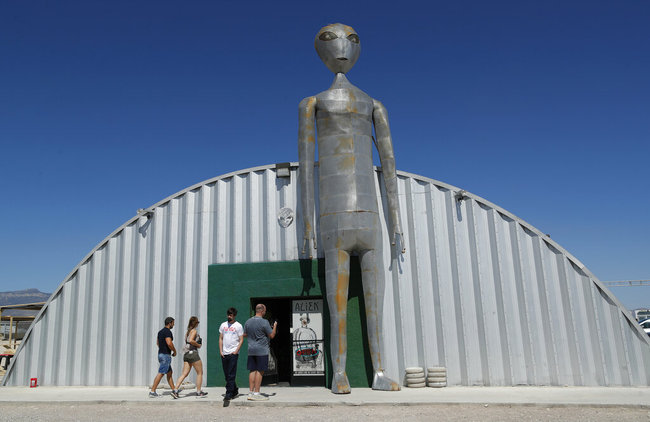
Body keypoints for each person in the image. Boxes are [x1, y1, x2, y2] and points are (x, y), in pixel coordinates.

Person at [298, 23, 405, 393]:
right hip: (333, 217)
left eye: (351, 40)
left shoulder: (374, 105)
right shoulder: (312, 103)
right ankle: (339, 372)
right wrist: (308, 228)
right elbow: (305, 169)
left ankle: (379, 371)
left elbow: (388, 167)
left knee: (375, 308)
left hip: (370, 219)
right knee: (336, 304)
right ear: (320, 50)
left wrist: (396, 223)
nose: (342, 47)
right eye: (331, 40)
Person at [243, 304, 277, 401]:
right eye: (265, 311)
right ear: (262, 311)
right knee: (260, 371)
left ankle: (250, 392)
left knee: (252, 370)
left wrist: (253, 335)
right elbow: (272, 335)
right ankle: (257, 392)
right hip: (262, 350)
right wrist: (274, 326)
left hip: (251, 349)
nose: (265, 313)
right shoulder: (264, 322)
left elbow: (245, 334)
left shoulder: (248, 321)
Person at [173, 316, 207, 398]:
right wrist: (198, 344)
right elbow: (191, 340)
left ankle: (175, 390)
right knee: (200, 373)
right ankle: (199, 393)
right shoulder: (194, 331)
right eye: (197, 323)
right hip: (193, 354)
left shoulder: (188, 332)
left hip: (186, 354)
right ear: (196, 323)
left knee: (184, 374)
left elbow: (188, 341)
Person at [150, 317, 178, 398]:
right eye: (173, 323)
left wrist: (162, 349)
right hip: (166, 356)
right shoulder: (168, 332)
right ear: (169, 323)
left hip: (161, 354)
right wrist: (174, 351)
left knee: (169, 373)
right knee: (161, 373)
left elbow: (157, 343)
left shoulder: (160, 332)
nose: (174, 324)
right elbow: (169, 343)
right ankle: (152, 392)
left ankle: (174, 390)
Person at [219, 307, 244, 401]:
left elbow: (241, 340)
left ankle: (228, 393)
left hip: (233, 353)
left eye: (231, 315)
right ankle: (235, 390)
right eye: (228, 315)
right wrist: (221, 351)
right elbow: (221, 338)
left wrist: (236, 351)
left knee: (231, 374)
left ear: (234, 316)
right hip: (224, 353)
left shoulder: (238, 326)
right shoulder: (223, 325)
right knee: (226, 374)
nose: (229, 317)